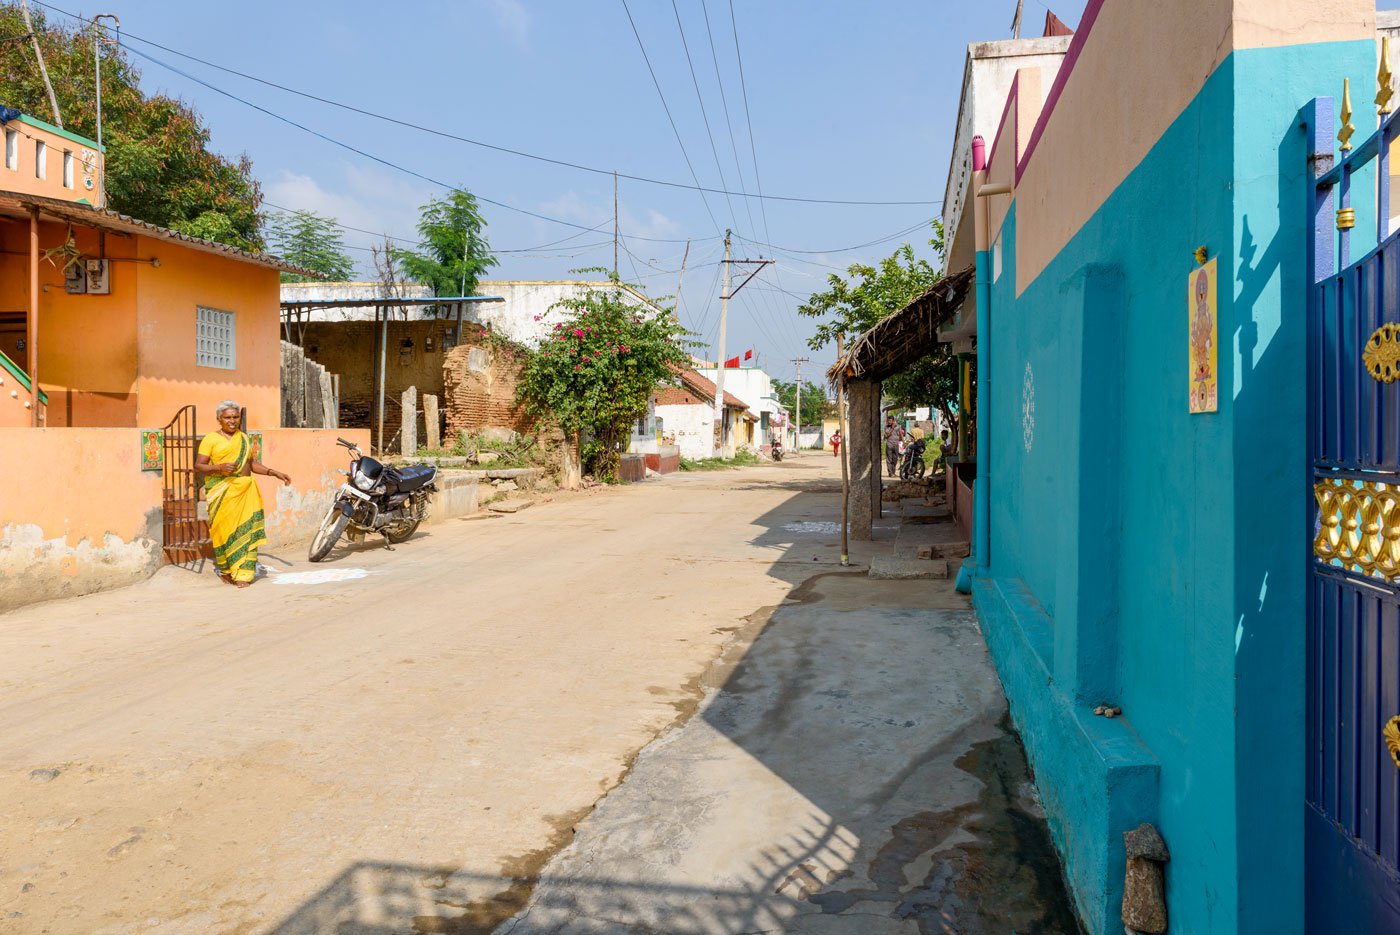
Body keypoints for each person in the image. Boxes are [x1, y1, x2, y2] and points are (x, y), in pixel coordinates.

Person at [194, 401, 291, 588]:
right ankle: (226, 570)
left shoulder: (245, 438)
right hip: (223, 492)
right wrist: (218, 467)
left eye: (235, 417)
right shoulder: (211, 439)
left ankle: (243, 574)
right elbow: (198, 465)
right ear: (219, 419)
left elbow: (251, 464)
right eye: (227, 417)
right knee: (224, 532)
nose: (232, 421)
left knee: (247, 531)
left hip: (246, 491)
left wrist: (273, 472)